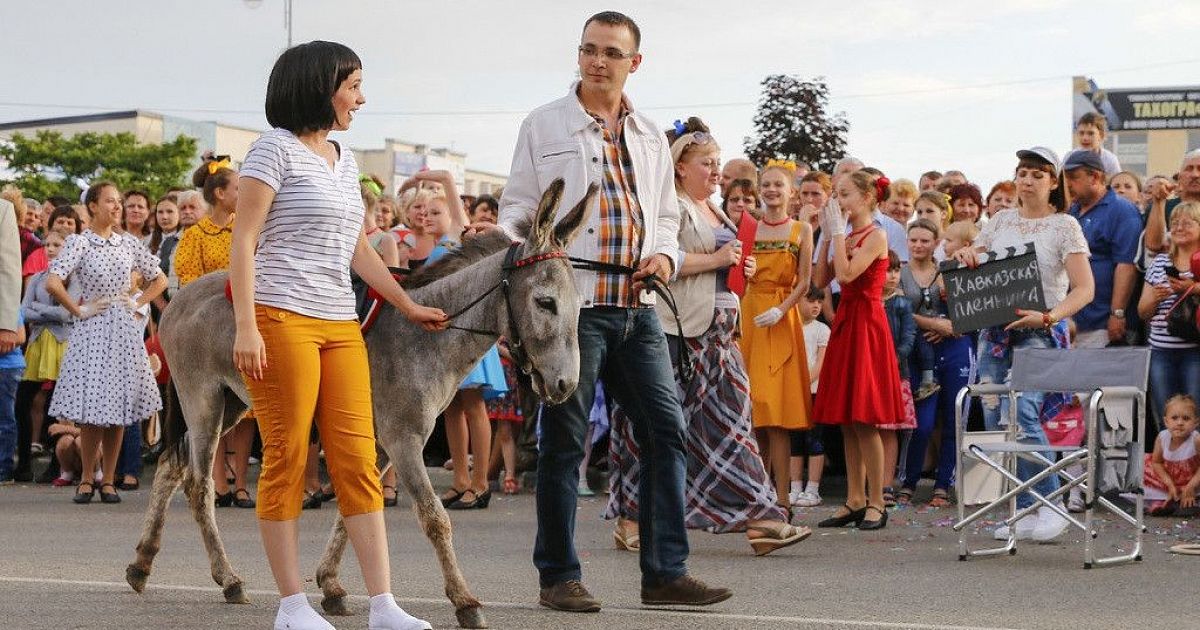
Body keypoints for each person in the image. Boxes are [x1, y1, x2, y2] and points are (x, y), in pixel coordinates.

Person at [493, 10, 730, 613]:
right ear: (579, 54)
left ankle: (664, 574)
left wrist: (665, 259)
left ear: (634, 62)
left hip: (638, 306)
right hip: (573, 309)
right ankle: (558, 576)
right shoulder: (544, 124)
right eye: (590, 50)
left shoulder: (650, 133)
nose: (598, 61)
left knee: (666, 433)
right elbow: (515, 209)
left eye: (612, 53)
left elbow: (668, 217)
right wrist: (539, 265)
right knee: (565, 444)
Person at [230, 40, 447, 630]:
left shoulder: (342, 157)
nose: (361, 97)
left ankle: (384, 606)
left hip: (339, 323)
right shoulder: (271, 151)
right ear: (317, 86)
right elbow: (244, 240)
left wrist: (404, 303)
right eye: (352, 85)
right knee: (288, 455)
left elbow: (355, 247)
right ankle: (292, 605)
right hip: (280, 318)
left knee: (357, 458)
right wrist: (246, 324)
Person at [605, 116, 808, 557]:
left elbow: (723, 263)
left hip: (718, 328)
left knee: (732, 422)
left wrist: (741, 268)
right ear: (681, 166)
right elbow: (663, 260)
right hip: (673, 328)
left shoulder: (716, 210)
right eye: (707, 163)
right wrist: (717, 258)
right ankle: (631, 518)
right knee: (652, 428)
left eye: (718, 163)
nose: (716, 171)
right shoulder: (669, 206)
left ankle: (763, 519)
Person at [953, 146, 1094, 543]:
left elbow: (1084, 289)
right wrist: (967, 254)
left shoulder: (1065, 226)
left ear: (1053, 182)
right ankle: (1028, 506)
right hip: (995, 332)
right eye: (1022, 172)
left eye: (1037, 173)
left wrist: (1048, 317)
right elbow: (975, 261)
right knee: (1001, 420)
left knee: (1026, 414)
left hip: (1040, 329)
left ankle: (1053, 504)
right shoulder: (998, 221)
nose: (1027, 180)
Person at [43, 181, 166, 503]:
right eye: (110, 201)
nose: (117, 207)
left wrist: (139, 303)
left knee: (120, 406)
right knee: (92, 408)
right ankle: (86, 478)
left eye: (119, 202)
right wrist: (78, 309)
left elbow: (160, 278)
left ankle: (108, 479)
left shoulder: (128, 242)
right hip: (92, 328)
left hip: (124, 329)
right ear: (93, 206)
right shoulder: (79, 243)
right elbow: (53, 281)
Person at [812, 172, 906, 530]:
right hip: (847, 323)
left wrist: (836, 233)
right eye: (836, 195)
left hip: (867, 323)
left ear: (868, 198)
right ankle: (853, 499)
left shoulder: (876, 235)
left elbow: (848, 275)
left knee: (865, 419)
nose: (839, 201)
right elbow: (821, 282)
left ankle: (877, 501)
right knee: (848, 420)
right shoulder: (845, 235)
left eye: (845, 195)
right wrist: (825, 236)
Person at [177, 157, 257, 508]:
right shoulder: (195, 236)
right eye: (238, 188)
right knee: (215, 407)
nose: (243, 193)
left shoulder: (251, 226)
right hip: (213, 327)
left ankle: (240, 480)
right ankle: (217, 481)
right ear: (220, 193)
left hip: (248, 320)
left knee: (248, 409)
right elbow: (190, 285)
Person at [425, 192, 506, 511]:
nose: (427, 216)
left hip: (468, 335)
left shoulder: (459, 245)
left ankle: (481, 482)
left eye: (435, 211)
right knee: (452, 407)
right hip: (448, 336)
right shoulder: (440, 248)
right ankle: (460, 479)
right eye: (425, 211)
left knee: (473, 406)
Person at [740, 162, 814, 510]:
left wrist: (783, 309)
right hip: (750, 313)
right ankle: (756, 493)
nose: (771, 190)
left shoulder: (801, 229)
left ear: (790, 193)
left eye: (778, 185)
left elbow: (804, 280)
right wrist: (746, 271)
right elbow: (736, 271)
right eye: (766, 185)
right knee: (753, 410)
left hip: (780, 317)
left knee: (779, 415)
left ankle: (782, 498)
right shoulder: (748, 227)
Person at [897, 219, 973, 507]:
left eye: (925, 241)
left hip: (954, 347)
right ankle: (909, 481)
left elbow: (971, 307)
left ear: (936, 243)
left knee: (954, 419)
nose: (918, 245)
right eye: (913, 240)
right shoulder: (900, 273)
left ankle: (943, 485)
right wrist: (934, 324)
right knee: (922, 423)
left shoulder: (948, 270)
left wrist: (949, 325)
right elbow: (895, 307)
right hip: (918, 353)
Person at [13, 231, 77, 483]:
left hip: (62, 344)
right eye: (47, 244)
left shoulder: (74, 278)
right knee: (23, 402)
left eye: (57, 245)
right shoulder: (38, 277)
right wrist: (46, 311)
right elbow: (24, 311)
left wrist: (39, 310)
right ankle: (24, 465)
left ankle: (56, 464)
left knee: (57, 405)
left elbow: (65, 314)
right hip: (38, 344)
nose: (50, 249)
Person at [1064, 150, 1142, 349]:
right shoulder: (1071, 211)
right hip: (1071, 320)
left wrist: (1117, 313)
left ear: (1095, 176)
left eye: (1074, 178)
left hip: (1101, 323)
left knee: (1098, 380)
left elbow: (1126, 265)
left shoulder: (1121, 210)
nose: (1068, 184)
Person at [1136, 201, 1200, 428]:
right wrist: (1155, 296)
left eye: (1187, 222)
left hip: (1195, 350)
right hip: (1161, 352)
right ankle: (1168, 461)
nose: (1179, 227)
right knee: (1166, 418)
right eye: (1175, 223)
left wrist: (1191, 288)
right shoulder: (1160, 262)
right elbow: (1143, 312)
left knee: (1196, 418)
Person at [879, 250, 917, 506]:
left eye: (895, 270)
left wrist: (893, 358)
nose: (892, 276)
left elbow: (908, 338)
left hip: (895, 373)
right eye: (887, 270)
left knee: (890, 431)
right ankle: (867, 483)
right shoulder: (868, 300)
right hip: (870, 373)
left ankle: (886, 484)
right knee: (868, 429)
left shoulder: (902, 304)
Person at [791, 284, 828, 507]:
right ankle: (794, 486)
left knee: (815, 440)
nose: (816, 305)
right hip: (793, 392)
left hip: (814, 392)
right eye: (810, 300)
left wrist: (802, 383)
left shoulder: (822, 330)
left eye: (819, 302)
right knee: (794, 441)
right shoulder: (790, 328)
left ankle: (812, 488)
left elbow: (820, 365)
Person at [1143, 395, 1200, 516]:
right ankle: (1162, 501)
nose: (1180, 423)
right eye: (1174, 418)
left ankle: (1191, 501)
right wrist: (1169, 484)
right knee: (1142, 465)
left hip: (1193, 480)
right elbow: (1156, 462)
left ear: (1196, 423)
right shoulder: (1162, 437)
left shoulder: (1196, 439)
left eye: (1186, 419)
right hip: (1170, 479)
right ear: (1166, 421)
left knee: (1192, 491)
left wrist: (1191, 486)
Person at [1146, 150, 1200, 254]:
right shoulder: (1165, 207)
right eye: (1189, 169)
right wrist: (1158, 201)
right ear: (1179, 178)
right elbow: (1154, 245)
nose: (1195, 175)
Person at [1067, 112, 1122, 177]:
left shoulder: (1110, 161)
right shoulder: (1069, 158)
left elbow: (1116, 184)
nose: (1085, 138)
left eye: (1090, 133)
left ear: (1101, 135)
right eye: (1081, 133)